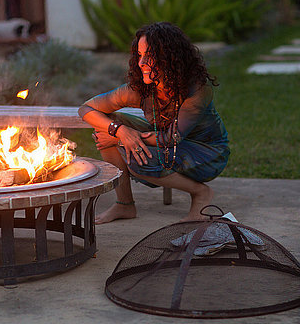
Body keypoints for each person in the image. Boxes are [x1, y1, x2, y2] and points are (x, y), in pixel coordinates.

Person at [78, 22, 229, 224]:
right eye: (139, 56)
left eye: (148, 56)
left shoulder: (197, 90)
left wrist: (124, 137)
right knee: (107, 125)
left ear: (170, 57)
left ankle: (200, 192)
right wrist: (119, 130)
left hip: (207, 153)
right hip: (166, 141)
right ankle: (125, 205)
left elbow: (170, 139)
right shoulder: (141, 89)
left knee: (139, 159)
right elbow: (86, 109)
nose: (141, 63)